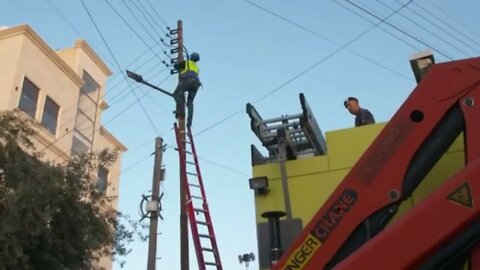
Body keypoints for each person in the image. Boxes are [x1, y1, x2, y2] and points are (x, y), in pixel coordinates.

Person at [173, 52, 201, 128]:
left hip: (187, 81)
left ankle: (180, 111)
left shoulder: (187, 62)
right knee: (190, 102)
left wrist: (177, 64)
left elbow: (176, 66)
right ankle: (189, 122)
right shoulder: (196, 67)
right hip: (196, 84)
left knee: (176, 94)